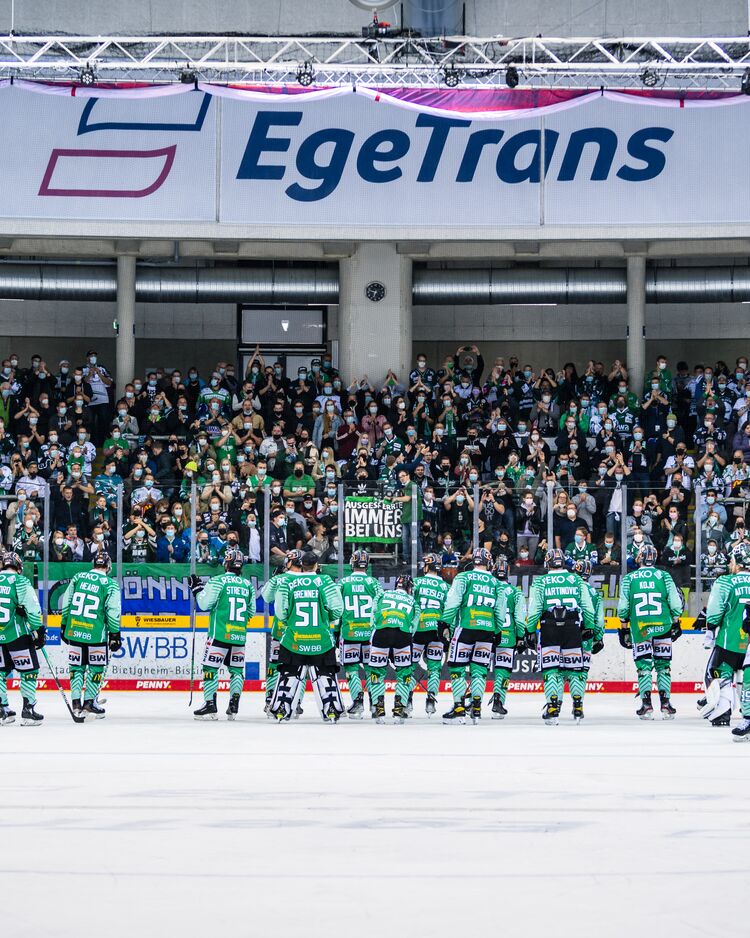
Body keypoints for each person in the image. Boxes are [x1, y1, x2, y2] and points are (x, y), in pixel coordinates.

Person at [269, 552, 344, 722]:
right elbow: (338, 609)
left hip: (294, 638)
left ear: (301, 564)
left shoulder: (288, 582)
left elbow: (280, 611)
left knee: (288, 674)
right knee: (326, 674)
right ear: (317, 565)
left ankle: (282, 707)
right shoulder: (325, 581)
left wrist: (290, 620)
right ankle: (331, 708)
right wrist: (327, 619)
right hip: (321, 639)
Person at [526, 548, 596, 725]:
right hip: (572, 627)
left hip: (549, 627)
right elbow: (588, 608)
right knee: (575, 670)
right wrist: (588, 627)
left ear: (548, 563)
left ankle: (552, 707)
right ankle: (578, 706)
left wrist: (530, 630)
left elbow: (534, 610)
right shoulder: (577, 580)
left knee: (551, 670)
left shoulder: (541, 581)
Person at [617, 544, 684, 721]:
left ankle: (646, 705)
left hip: (640, 628)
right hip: (663, 625)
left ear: (640, 558)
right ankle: (666, 705)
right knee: (663, 666)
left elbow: (623, 607)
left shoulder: (629, 578)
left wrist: (624, 627)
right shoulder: (664, 576)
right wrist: (676, 620)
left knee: (644, 666)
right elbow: (676, 603)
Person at [189, 548, 255, 721]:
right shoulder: (248, 585)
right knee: (237, 672)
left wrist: (197, 589)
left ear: (226, 563)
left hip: (219, 634)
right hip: (239, 635)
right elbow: (251, 612)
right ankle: (234, 705)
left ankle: (210, 704)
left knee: (210, 669)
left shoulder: (218, 581)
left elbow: (204, 604)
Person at [441, 547, 505, 724]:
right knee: (479, 670)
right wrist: (498, 630)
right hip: (487, 630)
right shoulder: (496, 583)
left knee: (457, 668)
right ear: (488, 562)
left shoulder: (463, 577)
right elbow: (500, 611)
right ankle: (476, 708)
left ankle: (460, 708)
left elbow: (453, 602)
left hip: (466, 627)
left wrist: (445, 622)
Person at [59, 552, 122, 719]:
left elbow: (67, 602)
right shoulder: (110, 584)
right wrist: (115, 633)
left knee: (76, 668)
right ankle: (89, 702)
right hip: (96, 634)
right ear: (108, 567)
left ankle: (76, 704)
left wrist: (64, 625)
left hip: (74, 630)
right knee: (96, 669)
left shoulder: (79, 577)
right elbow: (113, 611)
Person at [704, 543, 750, 736]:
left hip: (728, 639)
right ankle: (745, 712)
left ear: (737, 563)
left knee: (721, 672)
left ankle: (723, 709)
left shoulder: (725, 582)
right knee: (745, 676)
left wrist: (710, 631)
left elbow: (714, 613)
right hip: (748, 641)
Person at [335, 549, 383, 719]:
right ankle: (377, 706)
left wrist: (334, 632)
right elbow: (381, 607)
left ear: (352, 563)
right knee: (372, 670)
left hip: (349, 632)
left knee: (351, 670)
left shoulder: (343, 583)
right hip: (370, 635)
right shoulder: (374, 583)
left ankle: (358, 703)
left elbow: (336, 609)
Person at [368, 574, 420, 723]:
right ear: (409, 588)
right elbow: (413, 627)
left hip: (381, 633)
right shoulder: (413, 602)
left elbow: (373, 616)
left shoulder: (382, 595)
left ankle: (379, 711)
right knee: (404, 674)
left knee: (377, 673)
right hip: (402, 635)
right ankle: (399, 710)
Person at [0, 551, 45, 725]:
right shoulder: (20, 581)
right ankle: (28, 710)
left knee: (1, 672)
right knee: (29, 672)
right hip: (16, 635)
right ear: (18, 566)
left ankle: (2, 709)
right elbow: (33, 610)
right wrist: (38, 631)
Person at [260, 549, 303, 717]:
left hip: (281, 630)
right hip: (302, 632)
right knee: (299, 667)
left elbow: (266, 597)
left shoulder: (280, 579)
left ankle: (270, 699)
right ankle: (297, 701)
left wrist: (274, 579)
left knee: (275, 665)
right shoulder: (312, 579)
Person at [565, 559, 605, 720]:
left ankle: (555, 704)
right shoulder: (594, 593)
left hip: (567, 634)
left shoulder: (567, 588)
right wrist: (599, 638)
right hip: (586, 638)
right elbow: (599, 620)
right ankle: (578, 705)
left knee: (560, 672)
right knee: (580, 672)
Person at [411, 553, 450, 716]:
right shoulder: (446, 586)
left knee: (410, 667)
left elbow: (410, 603)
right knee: (434, 668)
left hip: (418, 628)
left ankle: (406, 699)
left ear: (427, 566)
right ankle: (431, 700)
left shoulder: (417, 582)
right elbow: (449, 611)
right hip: (437, 630)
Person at [490, 556, 528, 719]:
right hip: (508, 637)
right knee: (503, 671)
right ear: (508, 572)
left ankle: (471, 702)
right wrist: (521, 637)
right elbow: (520, 618)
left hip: (488, 635)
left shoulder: (488, 588)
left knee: (479, 670)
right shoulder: (515, 592)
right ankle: (498, 701)